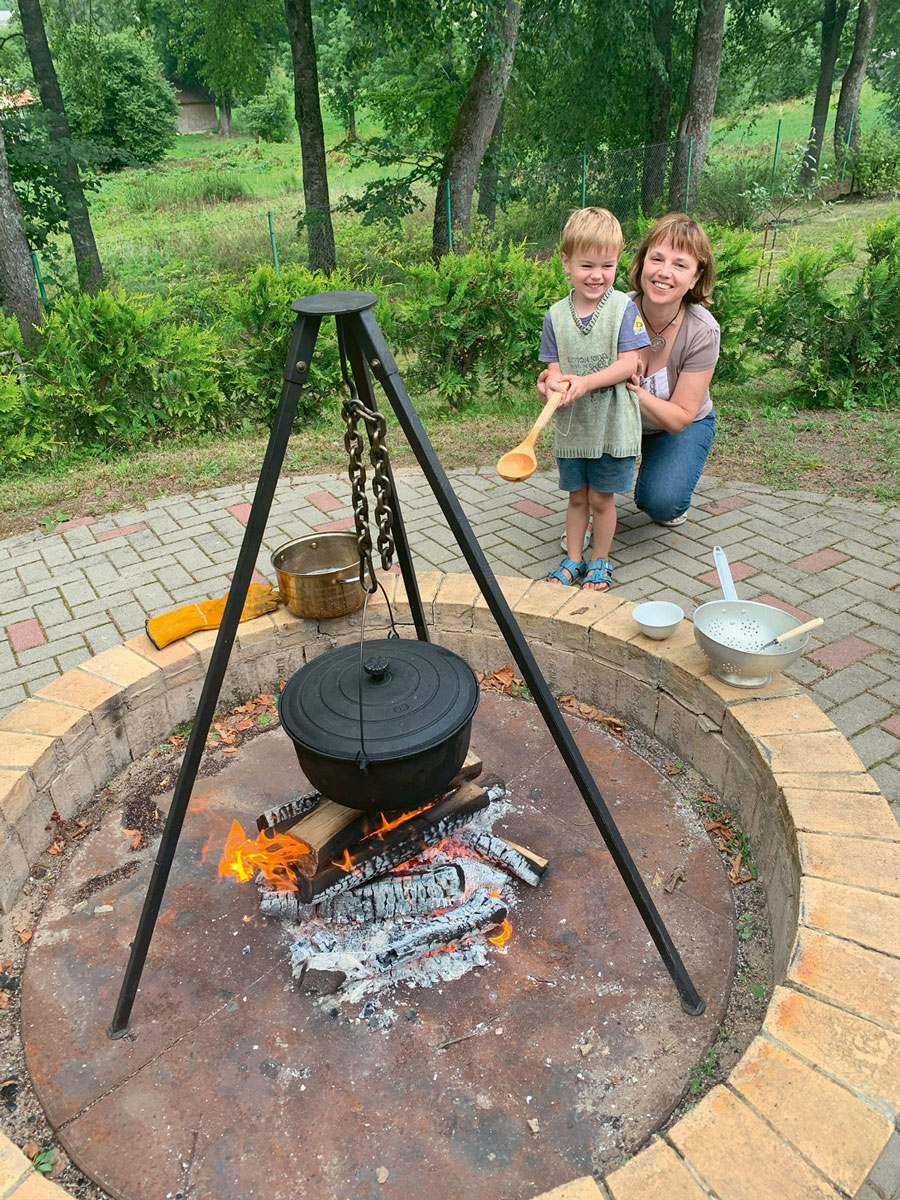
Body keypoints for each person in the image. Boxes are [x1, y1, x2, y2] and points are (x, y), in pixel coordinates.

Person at [544, 212, 720, 542]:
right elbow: (572, 370)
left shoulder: (703, 331)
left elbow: (680, 417)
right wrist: (553, 386)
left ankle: (661, 478)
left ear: (696, 277)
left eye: (680, 265)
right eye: (657, 258)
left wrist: (632, 392)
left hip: (676, 426)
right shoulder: (612, 309)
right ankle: (592, 516)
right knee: (592, 476)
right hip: (615, 418)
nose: (664, 272)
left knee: (662, 503)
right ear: (641, 263)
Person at [540, 207, 650, 592]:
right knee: (577, 499)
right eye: (587, 265)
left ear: (618, 262)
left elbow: (629, 364)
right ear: (566, 261)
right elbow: (553, 370)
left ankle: (600, 561)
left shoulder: (624, 308)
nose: (597, 275)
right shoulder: (555, 316)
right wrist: (552, 385)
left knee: (601, 500)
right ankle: (573, 559)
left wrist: (584, 382)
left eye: (608, 265)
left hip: (611, 427)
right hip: (574, 430)